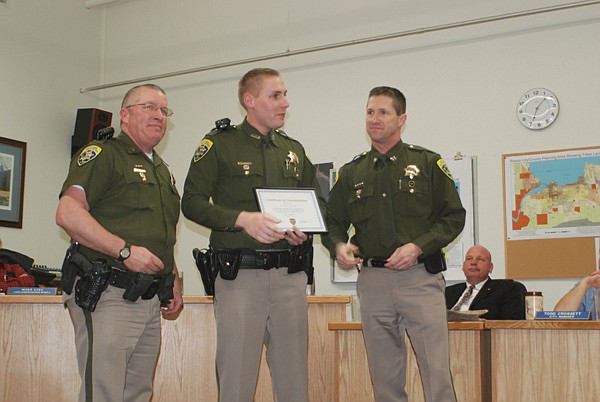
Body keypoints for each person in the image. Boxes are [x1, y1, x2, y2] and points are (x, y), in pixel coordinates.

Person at [181, 67, 325, 402]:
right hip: (241, 277)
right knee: (237, 382)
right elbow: (191, 203)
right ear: (250, 100)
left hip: (290, 277)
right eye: (276, 95)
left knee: (294, 385)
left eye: (285, 94)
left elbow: (312, 205)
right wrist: (242, 219)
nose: (285, 103)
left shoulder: (294, 150)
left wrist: (301, 232)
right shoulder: (219, 144)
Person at [322, 86, 465, 402]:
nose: (375, 119)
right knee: (384, 377)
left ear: (402, 119)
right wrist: (339, 246)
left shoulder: (427, 163)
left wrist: (418, 246)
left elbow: (453, 218)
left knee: (436, 373)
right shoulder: (352, 172)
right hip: (373, 282)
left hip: (419, 278)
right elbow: (331, 222)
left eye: (383, 112)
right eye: (370, 112)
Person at [56, 83, 183, 402]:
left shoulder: (162, 171)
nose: (159, 116)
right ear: (124, 115)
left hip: (149, 298)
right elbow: (67, 213)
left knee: (138, 394)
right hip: (109, 294)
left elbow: (158, 230)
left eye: (164, 111)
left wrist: (173, 277)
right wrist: (124, 251)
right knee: (104, 393)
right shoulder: (104, 154)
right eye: (149, 107)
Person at [445, 245, 526, 319]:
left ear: (490, 267)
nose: (473, 263)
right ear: (463, 266)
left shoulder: (506, 289)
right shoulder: (447, 292)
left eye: (480, 259)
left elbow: (511, 323)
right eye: (469, 258)